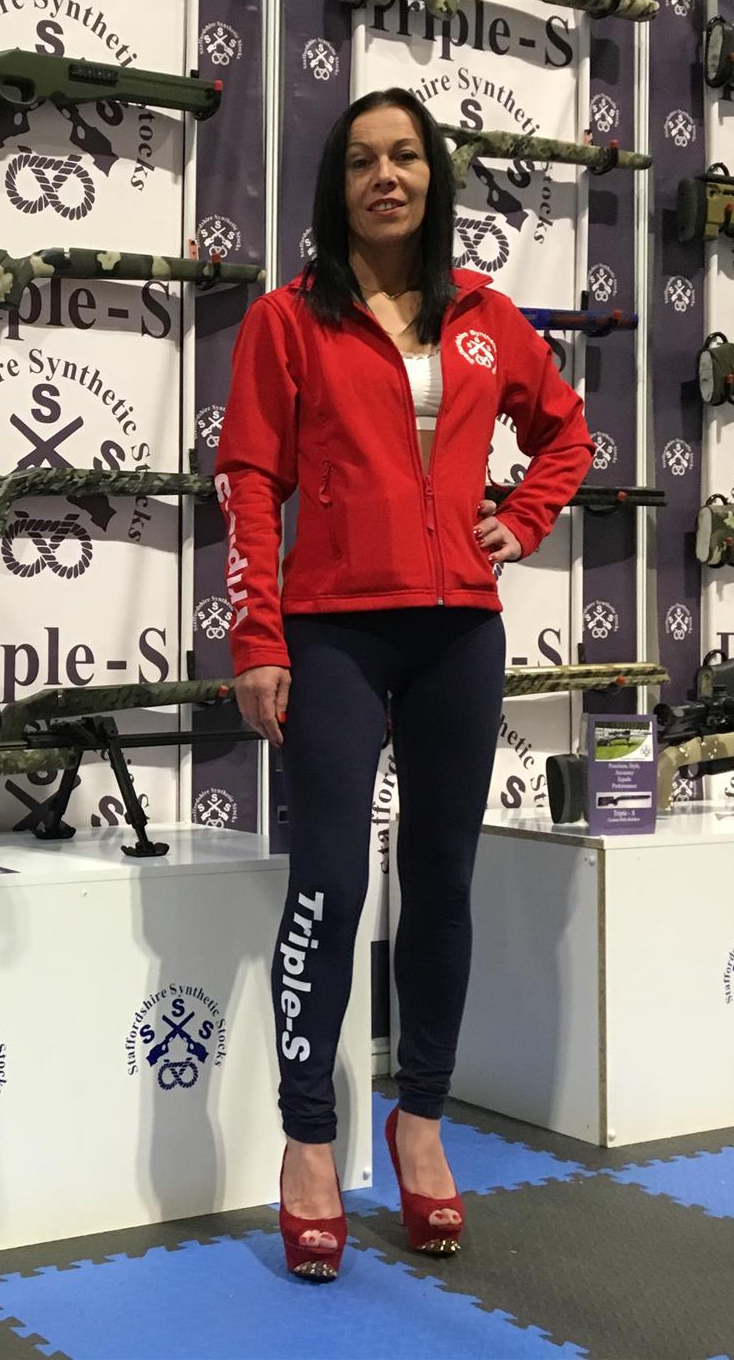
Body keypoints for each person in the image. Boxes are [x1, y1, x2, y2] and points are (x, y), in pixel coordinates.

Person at [212, 87, 593, 1281]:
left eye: (407, 157)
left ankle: (418, 1118)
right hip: (330, 633)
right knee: (328, 883)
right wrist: (257, 638)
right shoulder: (287, 319)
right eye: (363, 161)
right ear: (335, 186)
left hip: (457, 634)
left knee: (438, 882)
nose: (386, 176)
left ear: (433, 177)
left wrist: (519, 522)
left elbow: (566, 434)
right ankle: (306, 1140)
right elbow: (247, 481)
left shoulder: (484, 317)